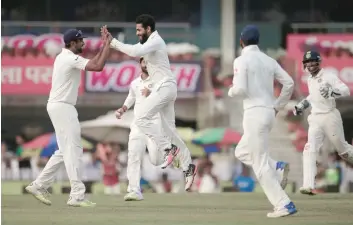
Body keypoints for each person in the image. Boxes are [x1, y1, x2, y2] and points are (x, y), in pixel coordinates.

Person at [102, 14, 197, 191]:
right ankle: (188, 166)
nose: (137, 33)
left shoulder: (156, 40)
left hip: (166, 86)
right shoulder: (147, 44)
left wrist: (113, 42)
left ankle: (169, 149)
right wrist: (111, 42)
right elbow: (133, 49)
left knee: (141, 117)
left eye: (139, 30)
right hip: (166, 89)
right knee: (170, 131)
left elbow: (134, 52)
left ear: (148, 29)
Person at [25, 27, 112, 207]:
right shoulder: (68, 58)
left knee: (64, 151)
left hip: (59, 106)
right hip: (63, 107)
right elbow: (98, 66)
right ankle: (77, 195)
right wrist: (108, 46)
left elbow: (91, 62)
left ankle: (39, 185)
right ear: (72, 43)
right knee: (75, 149)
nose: (84, 43)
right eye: (81, 41)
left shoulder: (65, 57)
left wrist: (104, 46)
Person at [228, 25, 297, 218]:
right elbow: (289, 83)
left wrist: (230, 89)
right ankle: (277, 167)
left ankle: (284, 204)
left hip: (254, 114)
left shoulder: (241, 60)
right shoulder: (269, 60)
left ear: (241, 41)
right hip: (268, 112)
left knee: (259, 164)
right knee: (241, 151)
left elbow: (239, 89)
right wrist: (277, 105)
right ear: (257, 41)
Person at [118, 57, 186, 201]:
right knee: (133, 156)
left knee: (155, 160)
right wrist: (123, 109)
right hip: (137, 125)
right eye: (144, 62)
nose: (147, 65)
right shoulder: (135, 83)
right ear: (140, 64)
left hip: (153, 124)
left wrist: (152, 95)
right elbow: (131, 97)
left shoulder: (160, 82)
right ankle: (134, 190)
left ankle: (171, 153)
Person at [293, 50, 353, 195]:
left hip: (330, 115)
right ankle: (308, 185)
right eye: (307, 62)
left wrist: (332, 92)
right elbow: (313, 96)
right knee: (309, 148)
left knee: (343, 151)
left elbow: (346, 91)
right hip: (315, 117)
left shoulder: (329, 76)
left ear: (318, 62)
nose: (310, 64)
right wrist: (303, 104)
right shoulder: (309, 79)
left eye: (313, 61)